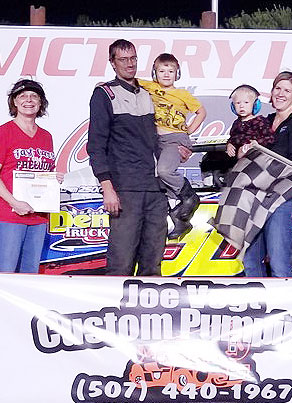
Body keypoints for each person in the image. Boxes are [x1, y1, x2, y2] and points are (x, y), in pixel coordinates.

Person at [87, 39, 168, 276]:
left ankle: (150, 313)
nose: (129, 64)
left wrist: (178, 147)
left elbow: (163, 132)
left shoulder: (148, 92)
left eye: (132, 58)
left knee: (152, 264)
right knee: (121, 263)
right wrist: (107, 188)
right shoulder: (105, 94)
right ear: (112, 63)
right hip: (125, 189)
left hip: (155, 189)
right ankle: (116, 312)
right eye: (123, 59)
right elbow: (96, 145)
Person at [238, 72, 292, 277]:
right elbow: (241, 152)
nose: (280, 94)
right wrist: (240, 149)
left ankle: (282, 308)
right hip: (256, 196)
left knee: (278, 260)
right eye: (277, 89)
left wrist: (258, 154)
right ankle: (258, 307)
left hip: (283, 197)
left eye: (287, 90)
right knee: (251, 259)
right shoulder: (263, 120)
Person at [0, 79, 61, 273]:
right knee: (6, 273)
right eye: (23, 96)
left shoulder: (46, 136)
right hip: (9, 215)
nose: (29, 100)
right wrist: (14, 202)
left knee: (29, 275)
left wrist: (53, 179)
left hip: (38, 215)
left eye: (34, 96)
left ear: (41, 103)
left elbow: (40, 174)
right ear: (14, 102)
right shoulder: (3, 133)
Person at [139, 53, 207, 240]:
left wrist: (189, 130)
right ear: (155, 72)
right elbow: (128, 81)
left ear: (177, 73)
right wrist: (104, 85)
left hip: (175, 139)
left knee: (164, 171)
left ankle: (190, 196)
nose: (166, 74)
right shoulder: (150, 87)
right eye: (162, 71)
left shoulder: (183, 94)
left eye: (171, 71)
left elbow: (201, 111)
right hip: (156, 141)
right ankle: (180, 218)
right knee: (156, 179)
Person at [225, 85, 273, 159]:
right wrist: (229, 145)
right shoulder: (236, 123)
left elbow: (269, 139)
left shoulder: (260, 121)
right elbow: (232, 138)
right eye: (238, 103)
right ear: (233, 107)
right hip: (238, 159)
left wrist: (257, 144)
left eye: (246, 102)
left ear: (255, 105)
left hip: (256, 157)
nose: (241, 106)